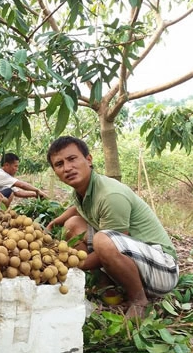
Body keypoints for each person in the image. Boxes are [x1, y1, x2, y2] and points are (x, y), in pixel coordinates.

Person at [45, 136, 178, 319]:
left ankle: (139, 300)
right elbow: (77, 207)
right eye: (59, 164)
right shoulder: (82, 191)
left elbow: (109, 246)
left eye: (72, 159)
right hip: (135, 260)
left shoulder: (110, 194)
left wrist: (68, 263)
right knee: (72, 225)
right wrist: (56, 221)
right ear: (55, 172)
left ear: (89, 160)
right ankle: (104, 283)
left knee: (103, 240)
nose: (67, 168)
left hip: (162, 271)